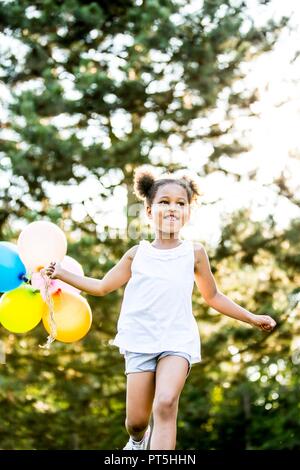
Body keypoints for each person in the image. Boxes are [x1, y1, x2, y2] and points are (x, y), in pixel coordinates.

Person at [44, 167, 276, 450]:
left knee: (165, 404)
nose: (172, 208)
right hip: (139, 340)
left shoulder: (195, 253)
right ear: (148, 210)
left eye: (181, 203)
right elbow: (103, 286)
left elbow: (213, 296)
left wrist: (251, 318)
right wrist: (61, 274)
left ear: (188, 212)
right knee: (137, 422)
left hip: (177, 340)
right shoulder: (137, 254)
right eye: (164, 202)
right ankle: (137, 442)